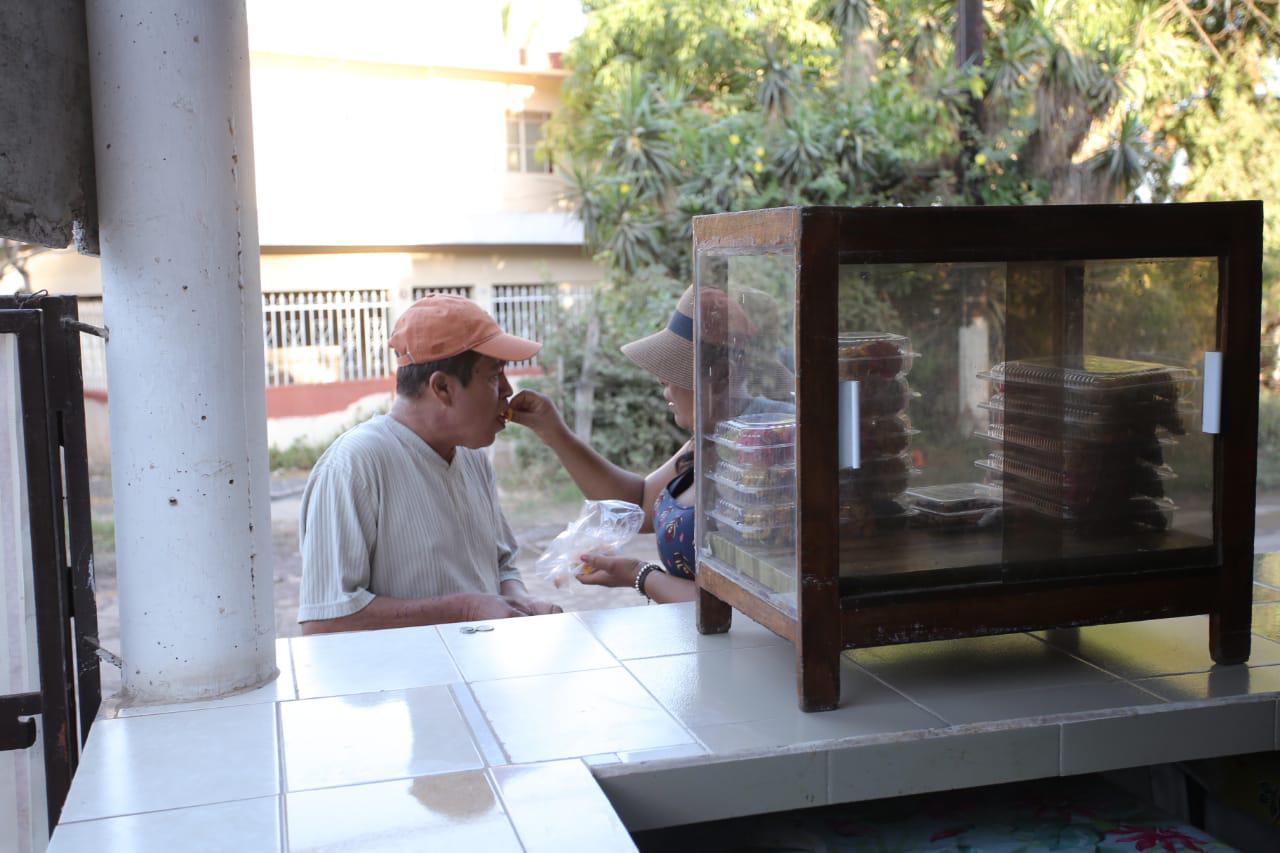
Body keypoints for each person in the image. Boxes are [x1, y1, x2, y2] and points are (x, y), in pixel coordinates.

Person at [296, 294, 561, 634]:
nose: (508, 391)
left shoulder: (473, 459)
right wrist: (464, 608)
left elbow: (503, 566)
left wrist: (518, 603)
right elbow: (324, 622)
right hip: (400, 687)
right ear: (443, 388)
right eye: (494, 376)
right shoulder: (355, 465)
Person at [510, 285, 792, 603]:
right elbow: (640, 504)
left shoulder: (770, 443)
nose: (663, 384)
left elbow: (746, 601)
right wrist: (554, 433)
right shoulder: (711, 436)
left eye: (673, 371)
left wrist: (639, 575)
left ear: (722, 374)